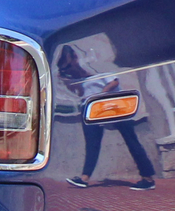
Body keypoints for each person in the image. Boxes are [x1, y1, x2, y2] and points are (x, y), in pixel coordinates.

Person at [54, 39, 156, 189]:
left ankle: (147, 178)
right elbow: (80, 93)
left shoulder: (96, 68)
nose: (70, 68)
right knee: (92, 144)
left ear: (76, 58)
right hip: (91, 109)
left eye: (70, 64)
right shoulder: (74, 77)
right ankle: (84, 178)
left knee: (131, 140)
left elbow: (114, 81)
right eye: (66, 67)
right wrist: (69, 81)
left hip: (112, 105)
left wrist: (100, 95)